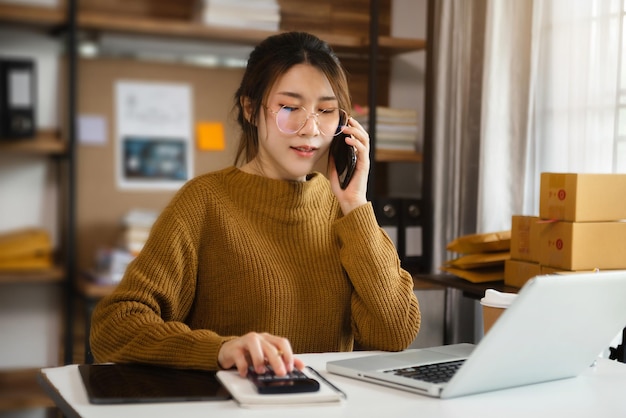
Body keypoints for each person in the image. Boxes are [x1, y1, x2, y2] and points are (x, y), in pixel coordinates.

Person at [90, 31, 421, 378]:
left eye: (325, 111)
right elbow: (114, 327)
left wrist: (356, 206)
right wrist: (219, 349)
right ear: (251, 109)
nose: (310, 129)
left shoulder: (344, 211)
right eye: (290, 108)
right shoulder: (204, 202)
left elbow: (395, 333)